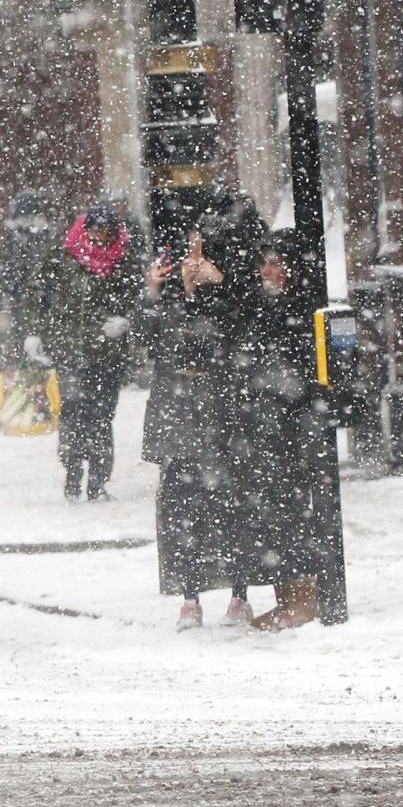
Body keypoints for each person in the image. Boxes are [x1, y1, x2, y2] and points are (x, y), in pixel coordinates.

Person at [141, 194, 263, 627]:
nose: (194, 259)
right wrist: (154, 293)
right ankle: (189, 596)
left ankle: (239, 593)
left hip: (221, 415)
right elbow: (149, 344)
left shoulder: (230, 299)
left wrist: (219, 285)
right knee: (181, 509)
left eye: (202, 250)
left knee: (230, 504)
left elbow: (235, 340)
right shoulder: (170, 299)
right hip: (178, 417)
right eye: (189, 250)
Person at [238, 240, 330, 630]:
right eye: (264, 265)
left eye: (276, 265)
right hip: (269, 421)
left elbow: (303, 367)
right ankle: (285, 597)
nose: (267, 273)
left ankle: (303, 599)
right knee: (272, 508)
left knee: (294, 507)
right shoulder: (263, 307)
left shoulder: (300, 309)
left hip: (294, 423)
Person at [36, 200, 144, 502]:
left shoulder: (125, 261)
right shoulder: (62, 257)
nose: (101, 237)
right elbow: (38, 295)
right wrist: (34, 331)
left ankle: (98, 480)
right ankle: (72, 476)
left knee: (101, 415)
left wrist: (126, 321)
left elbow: (139, 300)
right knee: (72, 412)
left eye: (108, 231)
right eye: (96, 229)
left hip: (107, 353)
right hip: (69, 350)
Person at [0, 190, 58, 479]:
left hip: (19, 333)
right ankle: (76, 459)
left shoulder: (17, 244)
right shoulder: (38, 243)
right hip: (35, 333)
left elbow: (17, 288)